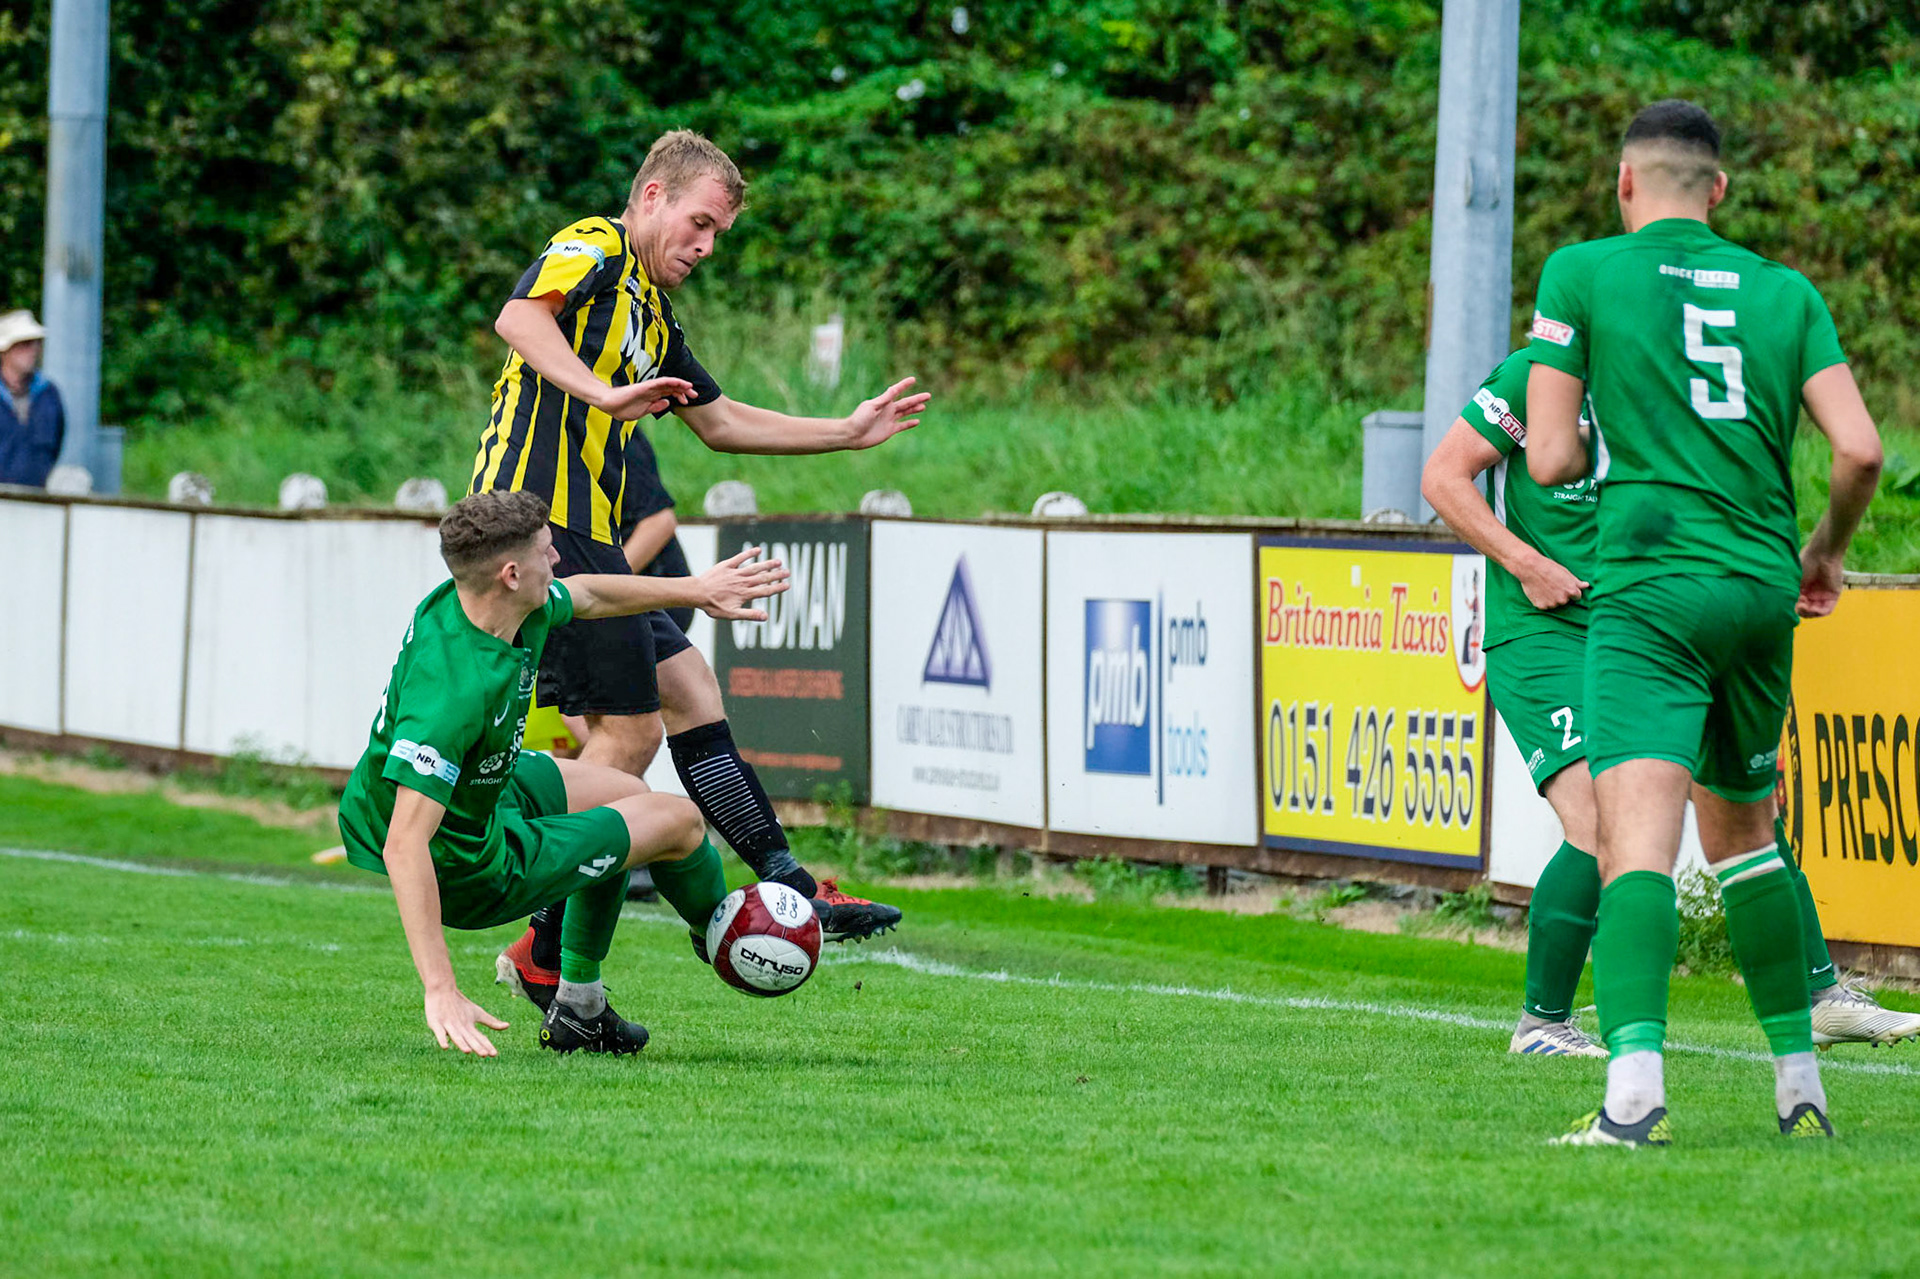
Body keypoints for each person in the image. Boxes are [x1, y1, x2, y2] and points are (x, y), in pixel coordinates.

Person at [471, 131, 916, 988]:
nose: (706, 246)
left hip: (583, 526)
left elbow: (718, 421)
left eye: (718, 233)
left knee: (688, 692)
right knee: (628, 736)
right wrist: (602, 392)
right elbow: (519, 317)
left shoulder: (653, 314)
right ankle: (542, 941)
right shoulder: (595, 245)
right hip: (532, 523)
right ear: (650, 197)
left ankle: (786, 886)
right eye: (700, 222)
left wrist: (845, 434)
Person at [1523, 100, 1885, 1145]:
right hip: (1761, 586)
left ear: (1624, 182)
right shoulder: (1785, 291)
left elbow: (1546, 459)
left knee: (1637, 843)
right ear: (1718, 190)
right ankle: (1799, 1085)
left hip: (1650, 581)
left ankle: (1632, 1095)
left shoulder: (1582, 272)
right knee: (1748, 837)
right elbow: (1860, 449)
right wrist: (1824, 552)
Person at [1423, 349, 1920, 1059]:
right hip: (1541, 630)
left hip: (1642, 626)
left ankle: (1819, 997)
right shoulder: (1532, 377)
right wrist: (1524, 563)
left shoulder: (1661, 380)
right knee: (1600, 816)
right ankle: (1542, 1023)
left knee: (1739, 801)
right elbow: (1442, 476)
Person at [335, 490, 789, 1056]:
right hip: (468, 863)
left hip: (474, 792)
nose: (557, 562)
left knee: (627, 792)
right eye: (548, 553)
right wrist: (440, 990)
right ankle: (727, 934)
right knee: (677, 822)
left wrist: (697, 590)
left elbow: (590, 591)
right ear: (509, 572)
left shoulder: (481, 602)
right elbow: (406, 843)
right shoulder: (456, 691)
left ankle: (579, 999)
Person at [0, 309, 64, 489]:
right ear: (5, 350)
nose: (33, 350)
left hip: (37, 499)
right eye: (25, 344)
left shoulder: (48, 393)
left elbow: (56, 443)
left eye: (36, 343)